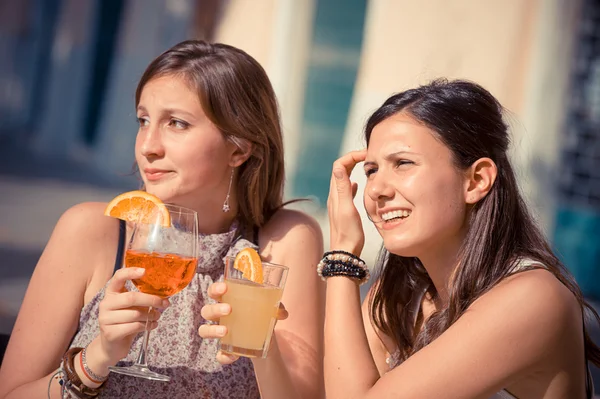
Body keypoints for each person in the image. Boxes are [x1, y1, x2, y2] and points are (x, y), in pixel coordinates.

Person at [0, 40, 325, 399]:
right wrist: (96, 358)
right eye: (143, 120)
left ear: (238, 148)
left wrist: (261, 349)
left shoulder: (280, 242)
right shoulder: (96, 232)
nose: (148, 146)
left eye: (176, 123)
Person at [322, 79, 599, 398]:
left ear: (476, 180)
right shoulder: (400, 295)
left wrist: (342, 258)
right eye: (371, 170)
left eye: (403, 164)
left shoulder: (533, 298)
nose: (375, 190)